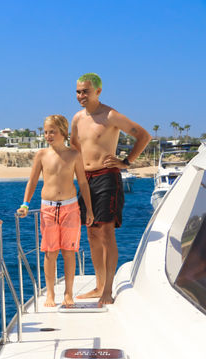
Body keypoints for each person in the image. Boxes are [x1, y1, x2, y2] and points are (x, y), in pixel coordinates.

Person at [71, 73, 151, 306]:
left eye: (85, 91)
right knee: (91, 232)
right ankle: (98, 285)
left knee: (106, 232)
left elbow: (143, 136)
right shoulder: (76, 118)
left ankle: (108, 290)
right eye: (77, 91)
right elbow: (76, 147)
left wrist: (126, 162)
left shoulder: (110, 115)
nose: (80, 96)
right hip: (85, 180)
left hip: (107, 178)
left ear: (98, 91)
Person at [17, 115, 93, 307]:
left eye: (52, 131)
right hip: (48, 208)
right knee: (50, 252)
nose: (48, 135)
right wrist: (25, 204)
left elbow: (83, 183)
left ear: (63, 132)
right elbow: (32, 181)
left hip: (71, 207)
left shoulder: (74, 155)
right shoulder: (42, 155)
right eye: (46, 132)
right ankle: (50, 294)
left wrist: (89, 210)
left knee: (69, 251)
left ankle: (68, 293)